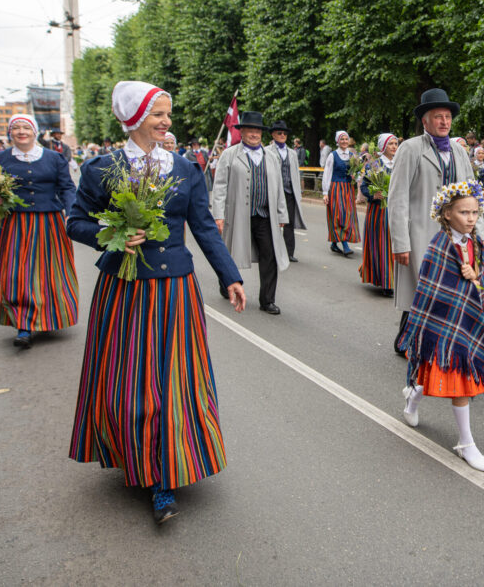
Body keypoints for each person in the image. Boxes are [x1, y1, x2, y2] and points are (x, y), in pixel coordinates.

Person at [67, 81, 246, 524]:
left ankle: (164, 477)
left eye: (168, 114)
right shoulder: (101, 169)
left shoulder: (184, 169)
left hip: (175, 290)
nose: (166, 122)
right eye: (157, 114)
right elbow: (75, 221)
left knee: (174, 383)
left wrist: (230, 276)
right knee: (132, 383)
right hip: (125, 289)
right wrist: (111, 237)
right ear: (132, 119)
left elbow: (203, 227)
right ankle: (138, 458)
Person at [398, 180, 484, 472]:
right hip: (442, 322)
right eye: (464, 213)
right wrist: (461, 274)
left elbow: (480, 279)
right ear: (447, 214)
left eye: (475, 213)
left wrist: (473, 273)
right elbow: (430, 288)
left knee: (448, 378)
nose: (471, 219)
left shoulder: (475, 241)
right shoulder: (438, 246)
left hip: (466, 320)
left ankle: (412, 399)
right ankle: (466, 443)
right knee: (454, 380)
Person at [389, 88, 484, 354]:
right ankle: (408, 338)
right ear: (425, 121)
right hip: (420, 232)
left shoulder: (458, 151)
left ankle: (437, 340)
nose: (444, 121)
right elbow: (397, 198)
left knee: (448, 289)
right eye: (437, 116)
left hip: (453, 235)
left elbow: (470, 194)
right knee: (422, 289)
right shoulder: (410, 149)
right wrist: (400, 242)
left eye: (447, 117)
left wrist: (479, 233)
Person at [0, 114, 78, 347]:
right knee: (18, 272)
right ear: (10, 133)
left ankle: (49, 316)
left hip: (50, 222)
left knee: (50, 271)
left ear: (35, 131)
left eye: (25, 127)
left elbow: (67, 187)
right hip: (15, 222)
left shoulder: (54, 159)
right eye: (15, 127)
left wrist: (72, 211)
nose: (20, 131)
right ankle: (23, 326)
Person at [210, 111, 290, 315]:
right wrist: (218, 214)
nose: (254, 134)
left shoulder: (271, 156)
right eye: (250, 130)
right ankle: (225, 282)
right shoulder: (230, 154)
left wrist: (282, 215)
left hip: (265, 215)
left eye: (257, 130)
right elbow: (220, 186)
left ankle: (267, 300)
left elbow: (278, 187)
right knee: (230, 251)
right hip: (238, 214)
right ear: (242, 132)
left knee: (269, 256)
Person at [359, 133, 398, 296]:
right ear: (383, 147)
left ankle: (398, 279)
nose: (395, 147)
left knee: (397, 244)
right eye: (391, 144)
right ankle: (386, 281)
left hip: (397, 208)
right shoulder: (374, 165)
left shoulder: (400, 163)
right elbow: (364, 186)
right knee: (383, 244)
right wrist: (375, 194)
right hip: (379, 210)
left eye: (396, 144)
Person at [267, 120, 307, 263]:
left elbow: (295, 173)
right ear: (273, 134)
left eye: (284, 133)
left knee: (289, 223)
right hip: (274, 193)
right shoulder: (266, 151)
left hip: (289, 192)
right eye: (279, 133)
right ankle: (272, 251)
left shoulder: (292, 153)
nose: (282, 135)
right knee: (273, 222)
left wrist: (298, 192)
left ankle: (289, 252)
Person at [321, 130, 361, 255]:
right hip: (336, 188)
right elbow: (327, 174)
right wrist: (325, 192)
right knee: (339, 215)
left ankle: (334, 243)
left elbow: (358, 173)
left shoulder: (352, 156)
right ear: (337, 141)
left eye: (346, 139)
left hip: (348, 189)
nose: (344, 141)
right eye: (342, 139)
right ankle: (345, 245)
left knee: (348, 215)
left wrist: (358, 177)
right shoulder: (333, 155)